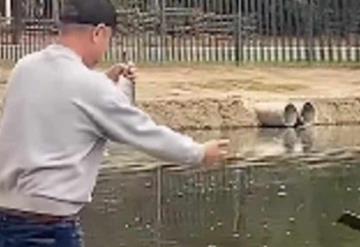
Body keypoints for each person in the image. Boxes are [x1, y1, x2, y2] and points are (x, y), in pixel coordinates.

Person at [0, 0, 229, 246]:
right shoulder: (92, 88)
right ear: (99, 33)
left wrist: (104, 82)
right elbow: (141, 131)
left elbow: (65, 101)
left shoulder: (25, 67)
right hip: (48, 227)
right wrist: (200, 153)